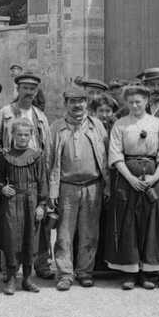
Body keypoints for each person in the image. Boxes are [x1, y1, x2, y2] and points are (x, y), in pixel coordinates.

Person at [106, 84, 159, 289]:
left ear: (146, 101)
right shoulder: (120, 125)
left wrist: (155, 177)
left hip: (152, 175)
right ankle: (130, 272)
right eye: (131, 102)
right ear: (127, 103)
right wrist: (130, 178)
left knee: (152, 221)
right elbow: (115, 155)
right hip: (127, 175)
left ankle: (149, 272)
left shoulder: (158, 124)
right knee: (128, 222)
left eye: (139, 101)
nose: (135, 105)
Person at [50, 86, 109, 291]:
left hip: (93, 186)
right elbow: (50, 161)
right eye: (72, 101)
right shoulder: (57, 127)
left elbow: (106, 156)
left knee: (90, 232)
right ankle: (65, 274)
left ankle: (85, 271)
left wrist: (107, 185)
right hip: (67, 187)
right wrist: (52, 192)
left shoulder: (97, 125)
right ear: (66, 104)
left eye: (81, 101)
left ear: (86, 103)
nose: (77, 105)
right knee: (64, 233)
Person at [0, 118, 49, 294]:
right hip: (12, 202)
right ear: (13, 135)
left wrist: (42, 205)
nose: (22, 137)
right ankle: (11, 278)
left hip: (31, 201)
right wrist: (2, 188)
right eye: (19, 134)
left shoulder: (37, 156)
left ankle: (27, 278)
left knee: (30, 239)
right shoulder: (5, 157)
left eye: (26, 134)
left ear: (31, 135)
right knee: (11, 239)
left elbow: (43, 182)